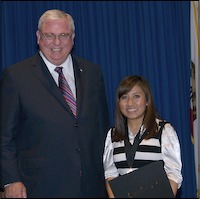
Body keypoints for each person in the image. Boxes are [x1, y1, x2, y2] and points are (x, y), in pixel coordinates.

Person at [1, 9, 110, 198]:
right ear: (38, 37)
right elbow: (4, 136)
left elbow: (102, 130)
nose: (57, 43)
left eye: (64, 35)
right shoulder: (17, 76)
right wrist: (11, 180)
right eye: (49, 35)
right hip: (40, 186)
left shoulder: (93, 73)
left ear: (73, 37)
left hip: (91, 186)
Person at [103, 75, 183, 198]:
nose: (130, 103)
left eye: (136, 96)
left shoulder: (164, 130)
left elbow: (173, 174)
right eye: (124, 97)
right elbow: (110, 174)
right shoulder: (112, 135)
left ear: (147, 101)